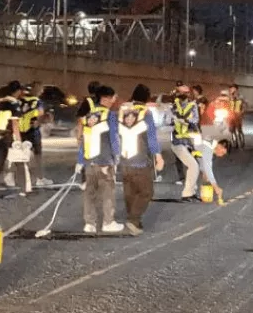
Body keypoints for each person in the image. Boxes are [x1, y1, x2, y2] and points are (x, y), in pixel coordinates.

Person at [76, 85, 124, 233]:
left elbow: (84, 138)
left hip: (89, 160)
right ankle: (108, 222)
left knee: (89, 192)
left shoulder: (89, 115)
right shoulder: (110, 115)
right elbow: (114, 138)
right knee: (107, 192)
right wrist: (117, 158)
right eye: (113, 97)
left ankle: (89, 223)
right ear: (106, 98)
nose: (115, 99)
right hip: (105, 160)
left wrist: (80, 160)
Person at [119, 84, 165, 236]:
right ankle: (133, 219)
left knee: (130, 191)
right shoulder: (145, 112)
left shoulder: (122, 110)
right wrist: (158, 156)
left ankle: (134, 221)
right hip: (139, 160)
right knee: (146, 191)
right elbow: (151, 136)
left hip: (124, 159)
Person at [0, 81, 27, 198]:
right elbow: (15, 124)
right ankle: (23, 189)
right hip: (10, 136)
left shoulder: (2, 102)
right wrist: (19, 141)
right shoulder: (14, 103)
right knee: (20, 163)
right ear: (17, 91)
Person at [171, 82, 202, 202]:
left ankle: (192, 191)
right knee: (193, 166)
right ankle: (187, 193)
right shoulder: (173, 106)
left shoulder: (192, 106)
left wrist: (186, 122)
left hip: (191, 141)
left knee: (195, 165)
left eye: (186, 93)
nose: (184, 95)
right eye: (181, 93)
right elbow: (168, 121)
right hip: (177, 141)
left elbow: (195, 120)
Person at [20, 82, 53, 187]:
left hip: (21, 131)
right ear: (37, 90)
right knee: (37, 155)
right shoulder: (37, 101)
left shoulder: (21, 100)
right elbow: (40, 114)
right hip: (33, 131)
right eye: (41, 89)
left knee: (22, 156)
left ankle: (19, 177)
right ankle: (40, 178)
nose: (42, 91)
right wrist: (40, 121)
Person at [195, 138, 230, 202]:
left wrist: (206, 180)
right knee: (194, 169)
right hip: (183, 147)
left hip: (190, 152)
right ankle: (188, 195)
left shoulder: (210, 145)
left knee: (199, 170)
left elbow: (203, 167)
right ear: (219, 146)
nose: (221, 156)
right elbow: (208, 169)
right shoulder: (208, 149)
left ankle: (192, 194)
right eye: (222, 152)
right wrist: (216, 187)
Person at [228, 84, 246, 149]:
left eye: (233, 89)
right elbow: (226, 105)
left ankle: (241, 141)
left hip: (238, 115)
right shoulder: (229, 97)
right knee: (232, 130)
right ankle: (235, 143)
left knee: (239, 129)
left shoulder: (241, 97)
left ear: (236, 89)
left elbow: (244, 106)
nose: (231, 90)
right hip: (231, 116)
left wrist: (242, 112)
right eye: (230, 89)